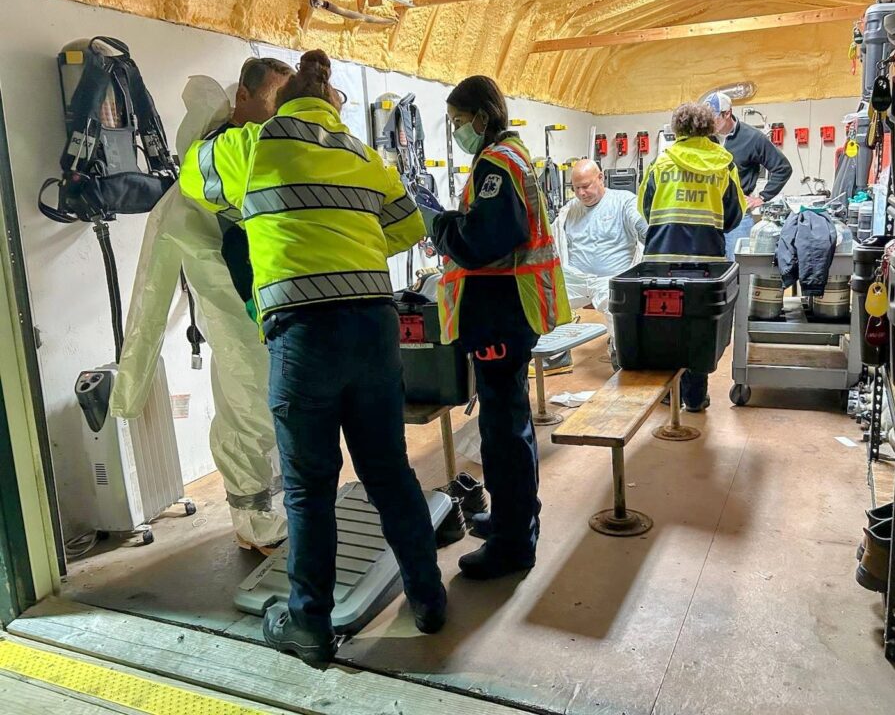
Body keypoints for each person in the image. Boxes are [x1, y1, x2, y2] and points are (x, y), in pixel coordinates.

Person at [180, 50, 446, 666]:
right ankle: (429, 600)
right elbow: (408, 228)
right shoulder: (365, 156)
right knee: (390, 473)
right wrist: (347, 231)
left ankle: (311, 628)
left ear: (280, 102)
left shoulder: (253, 146)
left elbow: (192, 173)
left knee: (309, 491)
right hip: (374, 329)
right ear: (331, 105)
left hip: (303, 337)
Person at [111, 58, 293, 554]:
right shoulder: (202, 176)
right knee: (252, 411)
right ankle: (254, 523)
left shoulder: (256, 155)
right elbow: (153, 285)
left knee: (267, 411)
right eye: (275, 98)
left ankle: (271, 513)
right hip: (236, 317)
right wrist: (130, 385)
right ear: (243, 98)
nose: (281, 111)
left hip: (265, 312)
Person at [427, 75, 570, 580]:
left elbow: (481, 241)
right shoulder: (513, 156)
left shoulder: (496, 163)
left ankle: (513, 544)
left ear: (482, 117)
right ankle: (515, 517)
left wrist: (437, 223)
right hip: (508, 312)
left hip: (499, 316)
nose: (456, 131)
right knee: (509, 424)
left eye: (458, 122)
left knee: (503, 432)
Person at [638, 102, 746, 412]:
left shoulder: (660, 163)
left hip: (661, 259)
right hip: (705, 261)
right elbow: (734, 215)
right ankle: (696, 398)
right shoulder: (724, 164)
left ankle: (669, 393)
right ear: (710, 127)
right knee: (699, 326)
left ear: (677, 129)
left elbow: (645, 208)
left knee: (663, 323)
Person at [549, 159, 647, 371]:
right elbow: (551, 238)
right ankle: (556, 356)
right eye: (576, 188)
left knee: (617, 310)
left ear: (601, 178)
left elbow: (643, 228)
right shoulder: (570, 210)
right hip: (575, 278)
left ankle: (620, 356)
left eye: (586, 186)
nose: (581, 193)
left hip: (611, 279)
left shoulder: (624, 201)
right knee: (548, 302)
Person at [704, 92, 792, 260]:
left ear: (727, 113)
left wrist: (762, 197)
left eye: (713, 118)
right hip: (708, 214)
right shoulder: (704, 138)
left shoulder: (752, 138)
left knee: (738, 266)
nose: (709, 124)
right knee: (710, 268)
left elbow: (782, 168)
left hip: (738, 216)